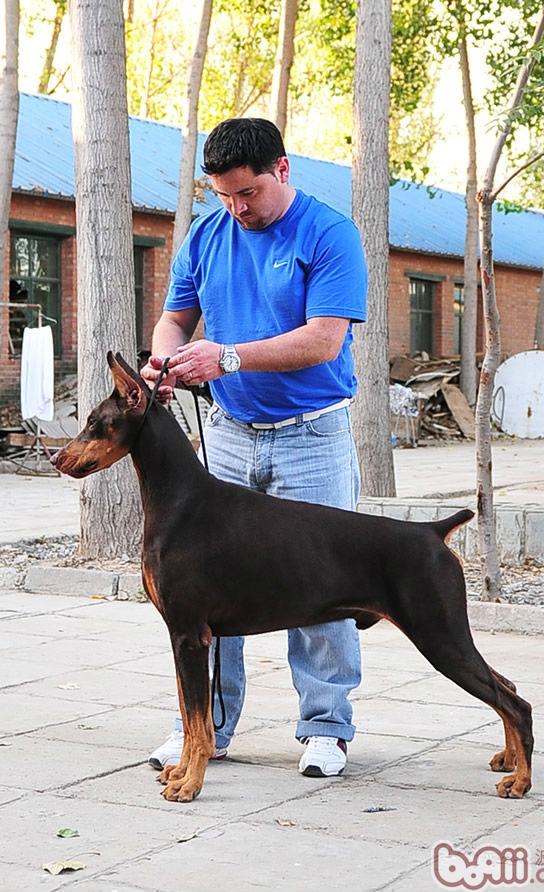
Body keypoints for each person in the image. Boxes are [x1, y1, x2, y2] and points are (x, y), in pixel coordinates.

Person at [142, 117, 367, 778]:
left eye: (248, 193)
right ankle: (205, 728)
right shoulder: (209, 234)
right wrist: (162, 360)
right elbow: (176, 317)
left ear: (283, 170)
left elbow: (324, 339)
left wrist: (228, 357)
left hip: (313, 437)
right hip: (230, 441)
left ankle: (326, 725)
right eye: (224, 195)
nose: (237, 208)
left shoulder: (330, 234)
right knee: (200, 588)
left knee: (323, 580)